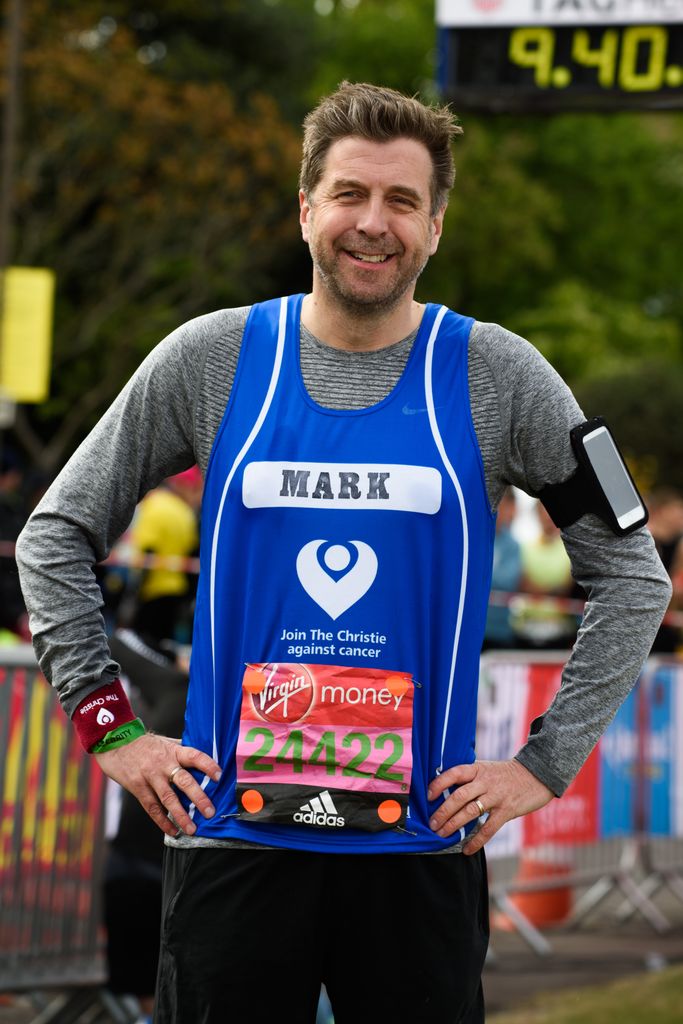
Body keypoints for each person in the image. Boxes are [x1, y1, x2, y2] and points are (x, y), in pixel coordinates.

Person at [16, 82, 671, 1024]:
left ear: (435, 227)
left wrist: (541, 765)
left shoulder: (499, 373)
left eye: (402, 202)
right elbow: (54, 532)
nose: (374, 223)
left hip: (416, 855)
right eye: (351, 195)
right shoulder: (212, 358)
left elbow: (632, 575)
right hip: (230, 844)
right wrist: (109, 727)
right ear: (306, 210)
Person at [482, 487, 522, 650]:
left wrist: (480, 577)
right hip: (474, 628)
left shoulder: (513, 545)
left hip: (500, 632)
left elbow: (508, 581)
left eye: (504, 504)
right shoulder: (474, 539)